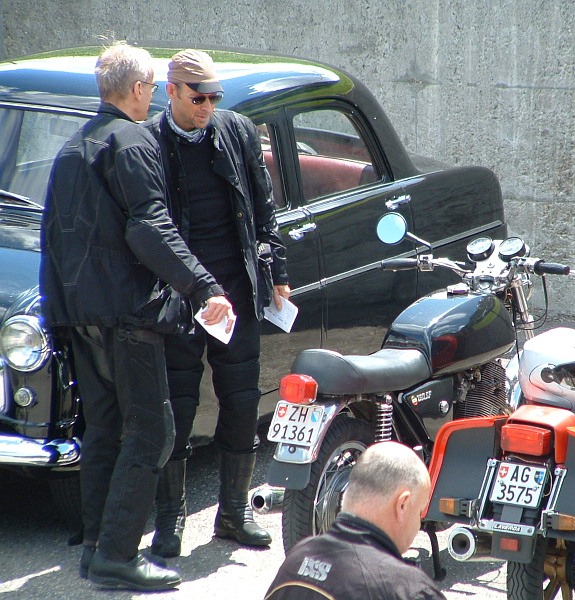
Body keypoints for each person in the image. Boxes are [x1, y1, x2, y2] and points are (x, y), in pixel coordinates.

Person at [40, 42, 235, 591]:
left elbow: (52, 238)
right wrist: (204, 288)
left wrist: (60, 315)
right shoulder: (133, 140)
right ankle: (119, 556)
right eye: (150, 87)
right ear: (139, 90)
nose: (151, 96)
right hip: (128, 315)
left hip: (81, 315)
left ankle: (98, 548)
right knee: (152, 432)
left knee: (104, 429)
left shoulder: (73, 146)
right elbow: (150, 227)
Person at [144, 49, 290, 558]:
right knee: (179, 408)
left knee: (242, 402)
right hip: (182, 296)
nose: (206, 106)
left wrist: (278, 274)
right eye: (197, 97)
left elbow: (264, 207)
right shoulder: (151, 142)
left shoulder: (237, 131)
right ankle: (170, 520)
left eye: (213, 97)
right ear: (172, 93)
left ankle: (233, 513)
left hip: (236, 292)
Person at [264, 442, 447, 600]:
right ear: (402, 504)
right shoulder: (408, 590)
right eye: (419, 512)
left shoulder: (296, 561)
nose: (418, 525)